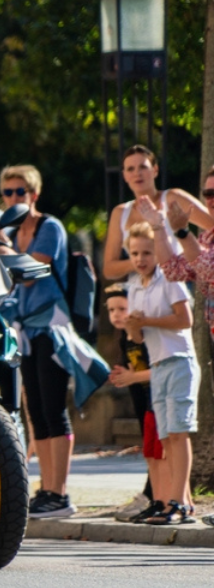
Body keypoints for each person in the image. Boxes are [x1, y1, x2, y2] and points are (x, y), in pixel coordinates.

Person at [0, 165, 109, 518]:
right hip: (26, 330)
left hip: (53, 328)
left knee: (55, 409)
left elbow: (31, 272)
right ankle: (46, 489)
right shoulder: (12, 232)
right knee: (37, 413)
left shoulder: (50, 227)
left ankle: (60, 493)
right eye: (8, 193)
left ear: (34, 194)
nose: (14, 198)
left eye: (21, 192)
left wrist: (0, 246)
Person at [147, 169, 214, 528]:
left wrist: (182, 232)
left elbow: (209, 270)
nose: (211, 200)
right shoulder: (208, 236)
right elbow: (174, 270)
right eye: (208, 193)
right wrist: (160, 228)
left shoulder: (198, 238)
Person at [123, 221, 199, 525]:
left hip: (179, 360)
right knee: (166, 437)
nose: (140, 259)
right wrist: (133, 326)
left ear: (157, 252)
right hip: (157, 366)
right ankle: (181, 503)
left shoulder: (169, 278)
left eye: (147, 252)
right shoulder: (133, 285)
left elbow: (185, 319)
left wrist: (147, 321)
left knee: (178, 434)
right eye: (134, 253)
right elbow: (137, 337)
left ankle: (177, 504)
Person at [103, 145, 214, 282]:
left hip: (174, 285)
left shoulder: (173, 198)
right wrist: (142, 260)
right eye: (130, 169)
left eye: (143, 167)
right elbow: (109, 269)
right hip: (141, 288)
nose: (137, 173)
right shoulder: (120, 212)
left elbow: (212, 223)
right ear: (124, 175)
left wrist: (203, 258)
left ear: (155, 170)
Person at [103, 283, 164, 523]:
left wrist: (131, 377)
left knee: (160, 450)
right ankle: (153, 496)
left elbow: (158, 370)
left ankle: (159, 496)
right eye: (111, 310)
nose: (116, 315)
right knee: (149, 448)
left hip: (158, 397)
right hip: (142, 398)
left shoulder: (147, 336)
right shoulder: (124, 339)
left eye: (122, 308)